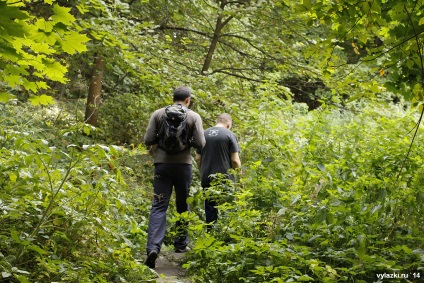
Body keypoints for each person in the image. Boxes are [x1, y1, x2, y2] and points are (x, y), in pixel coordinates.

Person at [143, 86, 205, 268]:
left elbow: (148, 139)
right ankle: (180, 244)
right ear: (188, 100)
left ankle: (153, 247)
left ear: (173, 98)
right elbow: (201, 143)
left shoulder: (158, 113)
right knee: (182, 204)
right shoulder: (193, 116)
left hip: (162, 165)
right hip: (183, 166)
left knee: (159, 205)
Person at [195, 113, 241, 230]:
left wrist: (203, 173)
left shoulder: (203, 134)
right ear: (228, 125)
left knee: (210, 209)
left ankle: (211, 236)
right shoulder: (229, 134)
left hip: (207, 177)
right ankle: (228, 236)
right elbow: (235, 161)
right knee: (228, 209)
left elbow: (198, 158)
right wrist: (239, 175)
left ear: (217, 121)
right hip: (225, 179)